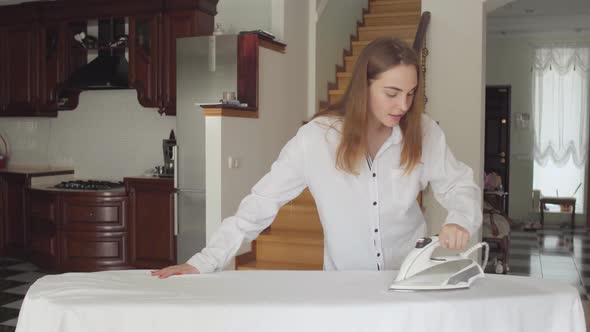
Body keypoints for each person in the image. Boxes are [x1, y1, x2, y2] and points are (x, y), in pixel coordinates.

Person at [152, 36, 482, 278]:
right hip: (342, 289)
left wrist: (459, 219)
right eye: (392, 93)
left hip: (410, 279)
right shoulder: (316, 140)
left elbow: (460, 187)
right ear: (362, 88)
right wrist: (204, 261)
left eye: (410, 94)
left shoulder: (423, 132)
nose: (403, 106)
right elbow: (259, 205)